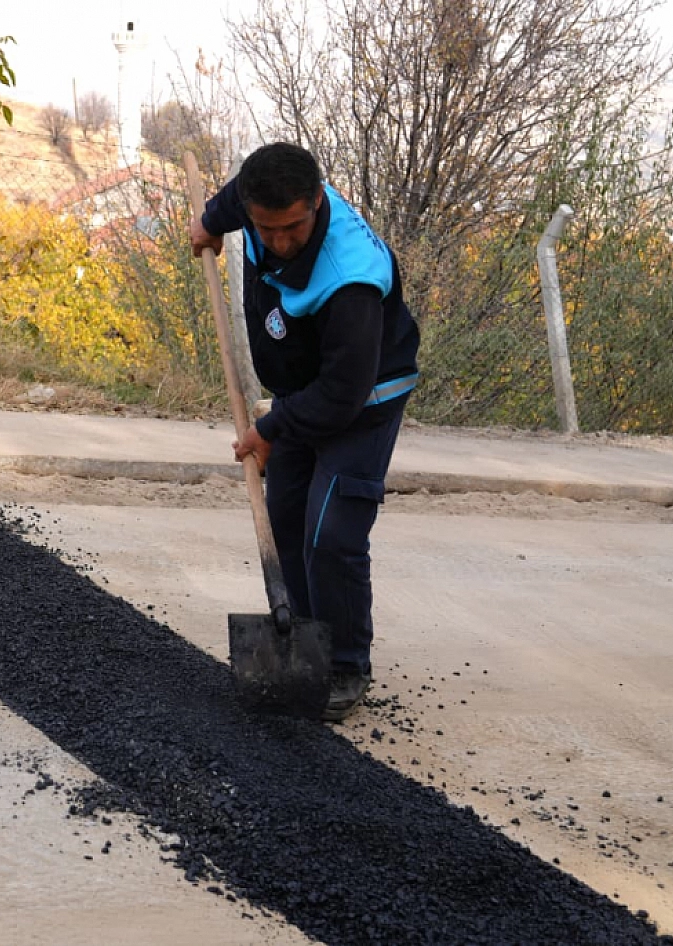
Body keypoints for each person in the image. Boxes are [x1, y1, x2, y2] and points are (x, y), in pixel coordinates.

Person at [190, 143, 420, 721]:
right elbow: (231, 204)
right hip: (301, 395)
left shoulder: (351, 284)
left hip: (364, 399)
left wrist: (272, 430)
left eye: (293, 227)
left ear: (317, 202)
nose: (280, 241)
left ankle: (344, 664)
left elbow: (344, 391)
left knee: (330, 530)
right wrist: (209, 225)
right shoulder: (260, 205)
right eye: (266, 229)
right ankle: (299, 637)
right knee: (286, 514)